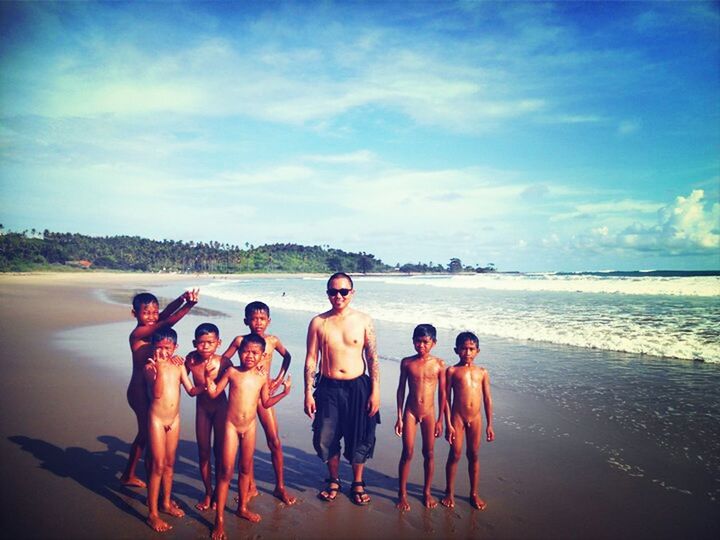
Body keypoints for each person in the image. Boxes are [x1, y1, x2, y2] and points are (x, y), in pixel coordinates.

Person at [304, 272, 380, 506]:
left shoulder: (364, 320)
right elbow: (311, 359)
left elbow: (372, 356)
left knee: (360, 435)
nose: (338, 296)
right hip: (328, 387)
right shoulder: (319, 322)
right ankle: (334, 478)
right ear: (327, 293)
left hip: (358, 386)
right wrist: (307, 391)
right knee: (325, 436)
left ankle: (357, 482)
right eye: (333, 291)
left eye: (343, 291)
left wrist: (375, 390)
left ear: (352, 293)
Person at [206, 334, 291, 538]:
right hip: (231, 427)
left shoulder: (262, 377)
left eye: (255, 353)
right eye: (245, 352)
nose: (249, 356)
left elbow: (266, 402)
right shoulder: (232, 372)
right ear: (240, 352)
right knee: (226, 471)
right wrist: (209, 378)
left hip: (250, 427)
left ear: (263, 356)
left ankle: (242, 507)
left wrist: (284, 393)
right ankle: (219, 520)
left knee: (245, 468)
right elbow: (215, 393)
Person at [219, 301, 295, 505]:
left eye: (262, 319)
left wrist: (278, 379)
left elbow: (287, 356)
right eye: (254, 318)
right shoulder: (240, 341)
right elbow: (224, 359)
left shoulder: (272, 341)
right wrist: (236, 372)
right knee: (246, 443)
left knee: (275, 441)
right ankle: (250, 487)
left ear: (268, 320)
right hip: (244, 398)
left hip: (264, 396)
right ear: (246, 321)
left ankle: (280, 487)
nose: (258, 322)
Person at [122, 289, 199, 488]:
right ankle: (139, 475)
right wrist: (190, 305)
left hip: (151, 389)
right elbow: (167, 322)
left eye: (154, 312)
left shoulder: (153, 327)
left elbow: (164, 316)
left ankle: (129, 474)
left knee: (144, 435)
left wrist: (181, 299)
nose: (151, 317)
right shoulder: (138, 334)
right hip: (139, 391)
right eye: (146, 313)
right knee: (147, 435)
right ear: (135, 314)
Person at [144, 328, 204, 532]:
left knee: (170, 464)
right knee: (157, 465)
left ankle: (166, 503)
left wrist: (205, 385)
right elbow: (158, 394)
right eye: (158, 348)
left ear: (175, 348)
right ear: (153, 347)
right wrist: (160, 367)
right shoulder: (150, 368)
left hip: (174, 420)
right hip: (157, 420)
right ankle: (152, 514)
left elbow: (190, 390)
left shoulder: (178, 366)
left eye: (167, 348)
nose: (162, 352)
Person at [394, 324, 447, 511]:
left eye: (425, 342)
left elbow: (443, 394)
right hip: (410, 411)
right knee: (407, 452)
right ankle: (402, 493)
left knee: (429, 453)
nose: (421, 345)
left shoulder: (439, 364)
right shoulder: (407, 362)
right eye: (418, 341)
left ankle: (426, 491)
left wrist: (441, 419)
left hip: (429, 413)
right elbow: (401, 389)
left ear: (434, 343)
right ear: (413, 341)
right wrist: (399, 416)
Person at [441, 331, 495, 510]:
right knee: (455, 454)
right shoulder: (452, 371)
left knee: (473, 455)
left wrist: (490, 425)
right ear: (456, 350)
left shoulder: (482, 372)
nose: (468, 352)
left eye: (471, 349)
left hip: (476, 419)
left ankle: (473, 493)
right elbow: (446, 399)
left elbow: (487, 399)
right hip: (457, 418)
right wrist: (448, 423)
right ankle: (449, 491)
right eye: (464, 349)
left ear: (478, 351)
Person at [185, 323, 232, 511]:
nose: (205, 346)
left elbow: (239, 376)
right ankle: (208, 491)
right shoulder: (190, 360)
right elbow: (178, 377)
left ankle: (219, 494)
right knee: (203, 453)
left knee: (220, 452)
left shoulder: (224, 362)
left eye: (210, 342)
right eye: (201, 342)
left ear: (218, 343)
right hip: (202, 411)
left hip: (221, 410)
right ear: (194, 343)